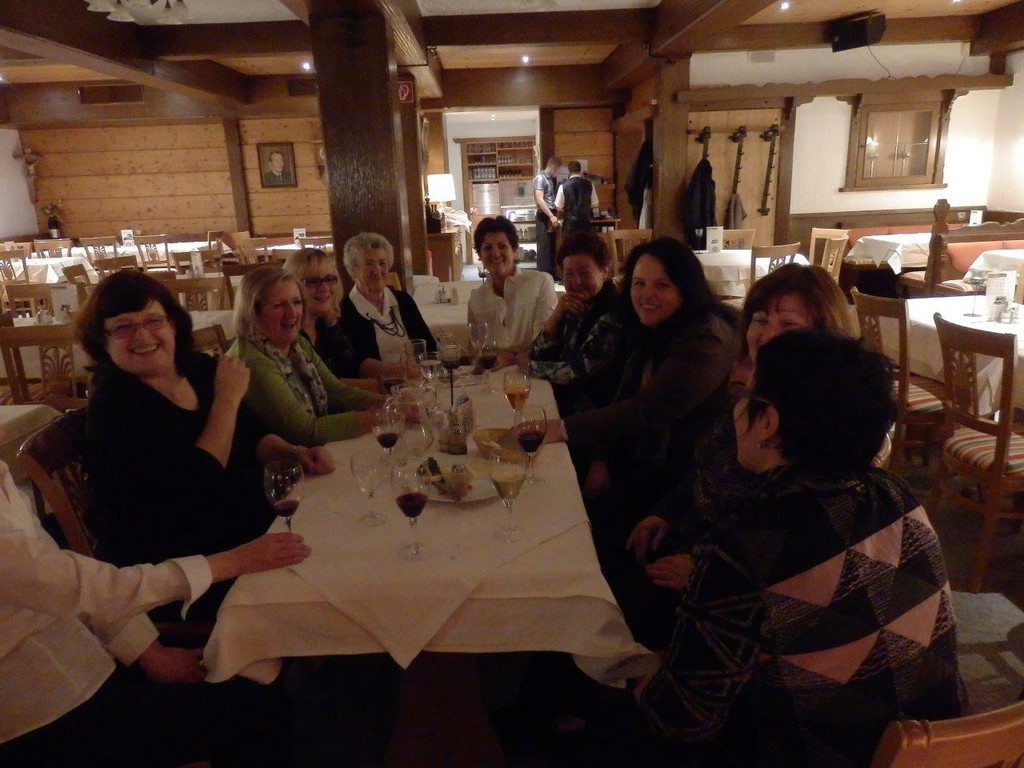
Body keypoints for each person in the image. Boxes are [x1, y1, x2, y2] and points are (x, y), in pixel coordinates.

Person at [632, 330, 964, 768]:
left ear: (768, 422)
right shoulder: (895, 494)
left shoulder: (744, 546)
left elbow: (683, 719)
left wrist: (640, 685)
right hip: (940, 751)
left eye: (746, 393)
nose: (736, 405)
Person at [0, 456, 310, 767]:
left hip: (86, 657)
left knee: (252, 661)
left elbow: (71, 588)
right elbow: (91, 589)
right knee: (253, 710)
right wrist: (230, 562)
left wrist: (149, 652)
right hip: (39, 715)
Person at [80, 271, 333, 619]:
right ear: (102, 340)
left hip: (238, 525)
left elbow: (252, 433)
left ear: (173, 324)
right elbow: (195, 491)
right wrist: (226, 401)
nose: (142, 336)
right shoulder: (115, 404)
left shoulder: (198, 368)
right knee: (325, 584)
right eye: (123, 327)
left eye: (153, 321)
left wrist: (291, 453)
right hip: (182, 569)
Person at [545, 237, 738, 647]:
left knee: (587, 531)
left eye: (662, 285)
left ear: (686, 288)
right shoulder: (654, 329)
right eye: (638, 283)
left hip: (685, 478)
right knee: (572, 512)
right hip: (650, 461)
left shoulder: (704, 341)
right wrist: (601, 460)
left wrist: (561, 429)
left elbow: (646, 411)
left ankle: (613, 643)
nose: (646, 294)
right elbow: (626, 395)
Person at [628, 264, 856, 579]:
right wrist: (664, 513)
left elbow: (795, 533)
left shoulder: (820, 420)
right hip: (692, 534)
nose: (767, 335)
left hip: (732, 571)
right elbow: (710, 462)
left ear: (825, 335)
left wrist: (705, 569)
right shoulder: (747, 389)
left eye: (788, 324)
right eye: (760, 319)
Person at [229, 265, 384, 446]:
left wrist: (390, 402)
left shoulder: (297, 344)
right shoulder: (252, 361)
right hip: (286, 460)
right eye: (279, 305)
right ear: (253, 313)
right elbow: (306, 432)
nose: (292, 313)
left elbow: (336, 392)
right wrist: (384, 415)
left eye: (296, 302)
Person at [528, 230, 623, 414]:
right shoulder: (572, 304)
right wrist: (556, 315)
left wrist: (528, 368)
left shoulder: (611, 313)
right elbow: (537, 353)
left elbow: (580, 373)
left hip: (592, 416)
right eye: (569, 274)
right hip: (561, 399)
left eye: (584, 273)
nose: (576, 281)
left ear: (604, 272)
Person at [337, 232, 435, 377]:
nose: (377, 270)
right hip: (378, 387)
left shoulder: (403, 300)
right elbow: (353, 367)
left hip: (418, 381)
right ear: (353, 268)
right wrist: (395, 372)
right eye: (369, 263)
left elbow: (430, 346)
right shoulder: (343, 312)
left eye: (382, 263)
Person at [282, 246, 379, 391]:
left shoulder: (325, 324)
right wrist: (385, 386)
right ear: (292, 288)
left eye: (329, 279)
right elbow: (321, 388)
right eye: (312, 281)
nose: (325, 288)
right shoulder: (289, 334)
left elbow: (355, 363)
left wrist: (395, 371)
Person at [467, 215, 557, 363]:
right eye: (488, 248)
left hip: (531, 371)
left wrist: (510, 359)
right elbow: (475, 352)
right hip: (493, 374)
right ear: (480, 255)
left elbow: (544, 341)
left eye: (502, 246)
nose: (495, 254)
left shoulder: (540, 282)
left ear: (514, 250)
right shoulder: (476, 299)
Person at [533, 155, 561, 275]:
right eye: (558, 169)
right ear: (553, 167)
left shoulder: (550, 179)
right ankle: (543, 276)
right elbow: (540, 200)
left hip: (550, 214)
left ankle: (551, 275)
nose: (558, 172)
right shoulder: (540, 178)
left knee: (550, 246)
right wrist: (551, 216)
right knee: (544, 247)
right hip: (544, 215)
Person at [554, 160, 599, 235]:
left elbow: (558, 206)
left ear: (569, 171)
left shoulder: (563, 186)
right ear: (580, 170)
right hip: (585, 223)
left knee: (570, 242)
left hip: (570, 224)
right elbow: (595, 204)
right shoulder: (590, 185)